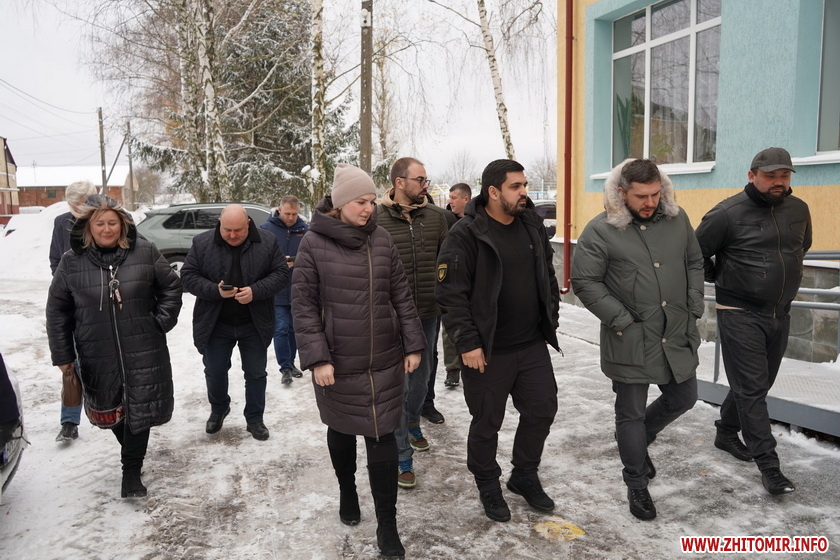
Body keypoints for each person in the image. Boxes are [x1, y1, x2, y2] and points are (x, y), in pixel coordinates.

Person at [293, 164, 425, 558]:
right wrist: (318, 358)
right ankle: (347, 490)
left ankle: (387, 523)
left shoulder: (381, 239)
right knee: (341, 429)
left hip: (384, 358)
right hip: (338, 361)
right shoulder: (313, 243)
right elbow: (304, 307)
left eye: (371, 201)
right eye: (360, 202)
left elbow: (400, 294)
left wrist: (413, 343)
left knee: (383, 437)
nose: (369, 208)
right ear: (340, 203)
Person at [571, 159, 703, 521]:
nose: (650, 202)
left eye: (656, 194)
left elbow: (694, 261)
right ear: (621, 192)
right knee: (629, 413)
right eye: (641, 196)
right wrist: (621, 318)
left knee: (684, 397)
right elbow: (585, 281)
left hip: (675, 330)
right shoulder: (600, 230)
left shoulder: (678, 220)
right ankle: (636, 482)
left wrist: (694, 303)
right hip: (629, 336)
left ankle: (640, 438)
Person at [435, 159, 560, 522]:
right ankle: (488, 482)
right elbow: (451, 294)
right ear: (493, 192)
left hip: (531, 344)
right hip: (488, 351)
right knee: (487, 422)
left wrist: (550, 315)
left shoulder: (531, 225)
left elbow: (547, 275)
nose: (524, 192)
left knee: (542, 410)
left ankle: (524, 474)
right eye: (515, 186)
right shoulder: (466, 234)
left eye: (524, 185)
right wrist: (468, 343)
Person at [46, 196, 182, 498]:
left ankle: (131, 472)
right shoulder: (71, 261)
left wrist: (160, 321)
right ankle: (131, 455)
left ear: (123, 225)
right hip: (96, 351)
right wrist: (63, 356)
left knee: (140, 408)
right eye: (100, 223)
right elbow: (57, 311)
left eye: (112, 223)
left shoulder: (145, 251)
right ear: (88, 227)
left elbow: (171, 286)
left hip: (144, 348)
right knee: (109, 412)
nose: (107, 229)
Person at [695, 147, 811, 496]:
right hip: (739, 313)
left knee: (756, 384)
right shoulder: (727, 213)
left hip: (780, 312)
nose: (778, 182)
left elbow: (801, 248)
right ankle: (770, 467)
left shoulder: (799, 209)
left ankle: (726, 431)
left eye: (784, 175)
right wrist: (721, 277)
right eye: (770, 175)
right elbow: (693, 253)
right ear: (752, 175)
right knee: (752, 389)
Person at [180, 204, 289, 441]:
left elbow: (281, 274)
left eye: (237, 230)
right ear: (219, 223)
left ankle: (255, 419)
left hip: (254, 322)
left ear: (248, 224)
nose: (231, 235)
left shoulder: (267, 241)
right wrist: (214, 290)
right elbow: (187, 276)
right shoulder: (202, 242)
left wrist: (256, 291)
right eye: (226, 230)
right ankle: (219, 408)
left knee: (256, 374)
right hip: (215, 322)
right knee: (215, 371)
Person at [376, 157, 450, 488]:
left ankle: (412, 420)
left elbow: (449, 261)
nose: (425, 185)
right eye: (420, 179)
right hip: (390, 317)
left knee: (421, 381)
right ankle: (402, 455)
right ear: (399, 182)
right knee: (398, 386)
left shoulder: (436, 217)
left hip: (428, 314)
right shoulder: (376, 218)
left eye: (425, 179)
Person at [49, 180, 98, 442]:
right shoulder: (61, 223)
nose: (78, 210)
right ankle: (69, 422)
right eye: (74, 205)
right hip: (72, 302)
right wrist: (64, 285)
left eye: (82, 204)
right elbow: (55, 259)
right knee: (72, 364)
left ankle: (122, 410)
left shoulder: (106, 220)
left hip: (103, 301)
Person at [260, 195, 309, 386]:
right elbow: (259, 258)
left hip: (298, 288)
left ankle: (291, 362)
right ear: (279, 210)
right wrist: (279, 264)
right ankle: (285, 367)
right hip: (276, 288)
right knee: (280, 328)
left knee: (293, 329)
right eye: (287, 213)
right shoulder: (266, 229)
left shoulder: (305, 230)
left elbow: (311, 256)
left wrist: (297, 261)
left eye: (294, 214)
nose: (291, 217)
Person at [441, 183, 472, 388]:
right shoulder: (445, 220)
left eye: (454, 197)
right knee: (449, 327)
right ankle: (453, 369)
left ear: (466, 199)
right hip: (451, 280)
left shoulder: (477, 221)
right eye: (450, 197)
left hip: (472, 280)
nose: (450, 201)